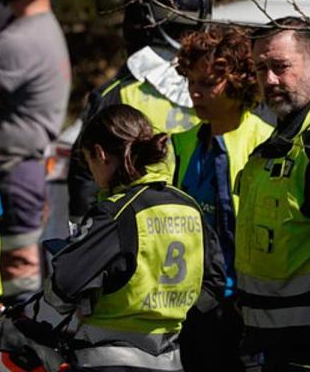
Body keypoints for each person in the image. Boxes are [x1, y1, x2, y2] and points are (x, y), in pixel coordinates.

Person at [46, 104, 226, 372]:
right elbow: (214, 282)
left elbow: (64, 284)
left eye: (88, 162)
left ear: (100, 154)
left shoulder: (115, 213)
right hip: (170, 359)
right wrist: (173, 312)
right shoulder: (189, 206)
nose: (92, 174)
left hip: (109, 360)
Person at [67, 0, 212, 222]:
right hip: (198, 229)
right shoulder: (223, 91)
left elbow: (85, 175)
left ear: (136, 23)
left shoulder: (116, 93)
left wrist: (83, 231)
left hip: (129, 229)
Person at [171, 26, 274, 371]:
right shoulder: (181, 144)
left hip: (243, 310)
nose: (194, 92)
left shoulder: (266, 143)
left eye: (206, 83)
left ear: (238, 81)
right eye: (191, 81)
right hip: (191, 308)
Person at [0, 0, 72, 301]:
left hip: (14, 174)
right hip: (29, 171)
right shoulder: (43, 28)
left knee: (17, 279)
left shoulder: (19, 41)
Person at [235, 17, 310, 370]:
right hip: (273, 349)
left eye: (280, 67)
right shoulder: (283, 142)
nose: (269, 80)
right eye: (261, 69)